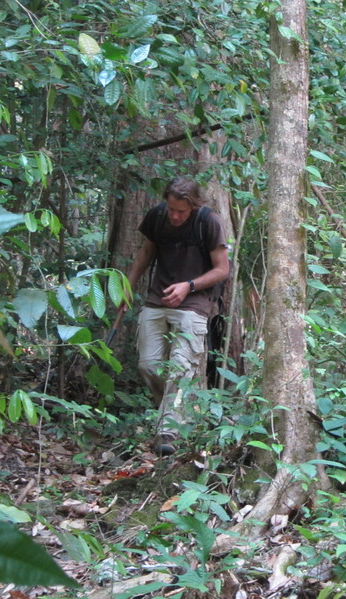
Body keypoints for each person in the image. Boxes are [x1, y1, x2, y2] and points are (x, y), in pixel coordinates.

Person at [117, 177, 229, 456]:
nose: (175, 216)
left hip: (195, 304)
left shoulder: (208, 222)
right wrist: (127, 289)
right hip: (157, 298)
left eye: (181, 211)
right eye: (172, 210)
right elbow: (145, 254)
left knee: (180, 369)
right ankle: (172, 415)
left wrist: (188, 286)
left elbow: (222, 269)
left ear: (193, 206)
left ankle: (168, 432)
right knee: (149, 365)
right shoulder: (157, 216)